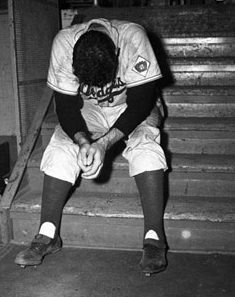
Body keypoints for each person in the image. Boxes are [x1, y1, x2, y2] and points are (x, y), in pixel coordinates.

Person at [15, 18, 168, 275]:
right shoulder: (64, 42)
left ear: (116, 53)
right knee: (62, 143)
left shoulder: (132, 37)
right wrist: (83, 141)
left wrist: (105, 143)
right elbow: (64, 106)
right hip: (91, 110)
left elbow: (141, 101)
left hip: (131, 105)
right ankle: (48, 234)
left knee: (145, 142)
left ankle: (155, 239)